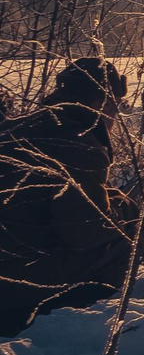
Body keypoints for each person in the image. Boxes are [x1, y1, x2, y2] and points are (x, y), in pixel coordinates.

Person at [0, 58, 129, 336]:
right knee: (126, 238)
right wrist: (122, 211)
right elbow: (85, 234)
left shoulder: (18, 127)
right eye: (117, 106)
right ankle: (63, 325)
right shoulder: (79, 142)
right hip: (11, 284)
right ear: (107, 103)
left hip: (9, 261)